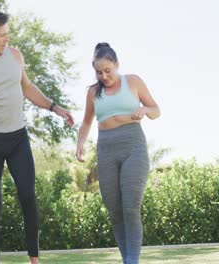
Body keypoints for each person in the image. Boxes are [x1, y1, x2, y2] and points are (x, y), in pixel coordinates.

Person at [0, 10, 74, 264]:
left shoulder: (15, 56)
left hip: (17, 139)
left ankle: (34, 259)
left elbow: (28, 88)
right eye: (2, 36)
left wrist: (55, 107)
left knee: (28, 196)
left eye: (8, 34)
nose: (6, 39)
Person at [76, 42, 160, 264]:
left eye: (108, 70)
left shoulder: (133, 82)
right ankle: (128, 260)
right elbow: (86, 122)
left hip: (133, 146)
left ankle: (132, 260)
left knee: (131, 205)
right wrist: (80, 143)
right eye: (99, 72)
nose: (104, 76)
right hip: (106, 150)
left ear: (117, 64)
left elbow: (156, 110)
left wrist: (145, 110)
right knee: (114, 210)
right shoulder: (93, 92)